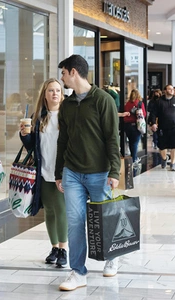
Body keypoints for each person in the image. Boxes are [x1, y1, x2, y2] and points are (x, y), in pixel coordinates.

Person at [54, 54, 121, 291]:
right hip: (72, 171)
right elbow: (63, 140)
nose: (61, 77)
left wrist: (115, 170)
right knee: (74, 221)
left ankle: (112, 257)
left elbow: (112, 137)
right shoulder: (67, 105)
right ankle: (78, 272)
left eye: (63, 73)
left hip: (99, 173)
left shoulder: (103, 100)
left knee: (103, 219)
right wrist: (58, 172)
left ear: (73, 72)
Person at [19, 78, 68, 268]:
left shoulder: (67, 116)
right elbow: (32, 145)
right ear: (45, 94)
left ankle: (64, 249)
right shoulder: (38, 117)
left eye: (58, 90)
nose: (55, 93)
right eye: (51, 90)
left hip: (62, 170)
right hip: (43, 170)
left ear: (62, 94)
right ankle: (54, 247)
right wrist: (25, 135)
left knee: (61, 209)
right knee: (49, 211)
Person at [148, 84, 175, 171]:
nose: (171, 90)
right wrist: (153, 123)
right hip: (163, 127)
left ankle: (172, 163)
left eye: (172, 89)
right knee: (162, 147)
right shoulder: (159, 101)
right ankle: (164, 158)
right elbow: (153, 113)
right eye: (169, 89)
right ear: (165, 91)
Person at [123, 89, 146, 162]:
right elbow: (144, 114)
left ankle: (133, 156)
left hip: (127, 125)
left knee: (130, 142)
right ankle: (134, 158)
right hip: (136, 125)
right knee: (135, 142)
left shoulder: (127, 104)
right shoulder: (139, 103)